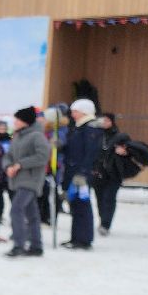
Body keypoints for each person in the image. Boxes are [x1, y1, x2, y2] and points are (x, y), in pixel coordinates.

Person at [4, 106, 51, 258]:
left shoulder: (37, 136)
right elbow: (8, 155)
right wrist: (8, 165)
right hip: (19, 179)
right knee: (32, 214)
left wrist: (20, 164)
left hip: (31, 180)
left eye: (18, 119)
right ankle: (36, 246)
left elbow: (43, 156)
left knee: (16, 209)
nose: (15, 122)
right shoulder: (18, 136)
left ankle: (19, 244)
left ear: (26, 121)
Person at [61, 98, 100, 250]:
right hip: (73, 171)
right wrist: (61, 146)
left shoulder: (90, 128)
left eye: (75, 111)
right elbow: (73, 149)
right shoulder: (78, 127)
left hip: (81, 174)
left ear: (84, 111)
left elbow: (91, 153)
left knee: (82, 205)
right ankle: (75, 237)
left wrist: (83, 172)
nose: (72, 114)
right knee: (75, 205)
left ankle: (84, 239)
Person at [91, 113, 129, 236]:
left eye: (107, 120)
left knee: (109, 198)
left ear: (112, 121)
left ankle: (105, 224)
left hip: (114, 173)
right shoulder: (95, 135)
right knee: (100, 199)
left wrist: (124, 151)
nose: (104, 123)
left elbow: (130, 150)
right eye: (102, 120)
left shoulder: (120, 137)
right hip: (98, 172)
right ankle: (103, 220)